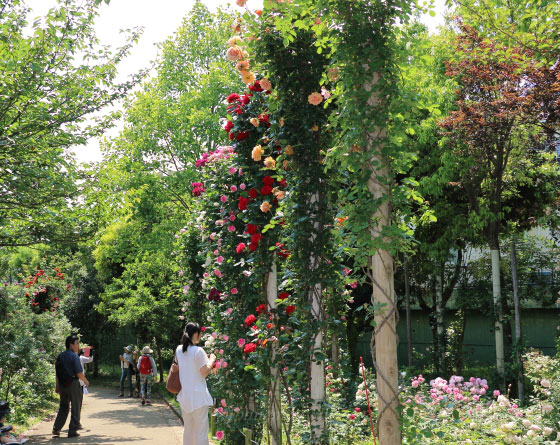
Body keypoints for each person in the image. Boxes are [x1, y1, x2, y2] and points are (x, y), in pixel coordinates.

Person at [176, 322, 216, 445]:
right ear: (196, 334)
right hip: (198, 397)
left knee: (188, 430)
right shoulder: (198, 351)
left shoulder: (179, 349)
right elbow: (204, 372)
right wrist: (212, 360)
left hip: (185, 397)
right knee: (201, 433)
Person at [52, 334, 89, 438]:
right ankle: (72, 431)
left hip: (62, 385)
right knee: (76, 407)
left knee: (63, 406)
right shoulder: (74, 356)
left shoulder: (60, 356)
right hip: (73, 384)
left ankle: (56, 428)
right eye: (77, 344)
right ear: (71, 345)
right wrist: (85, 381)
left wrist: (57, 385)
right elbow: (79, 373)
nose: (78, 346)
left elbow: (57, 372)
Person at [78, 347, 93, 426]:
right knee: (76, 403)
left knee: (78, 403)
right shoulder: (72, 357)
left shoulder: (80, 358)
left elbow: (90, 359)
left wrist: (90, 351)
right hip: (73, 382)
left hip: (80, 382)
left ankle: (76, 421)